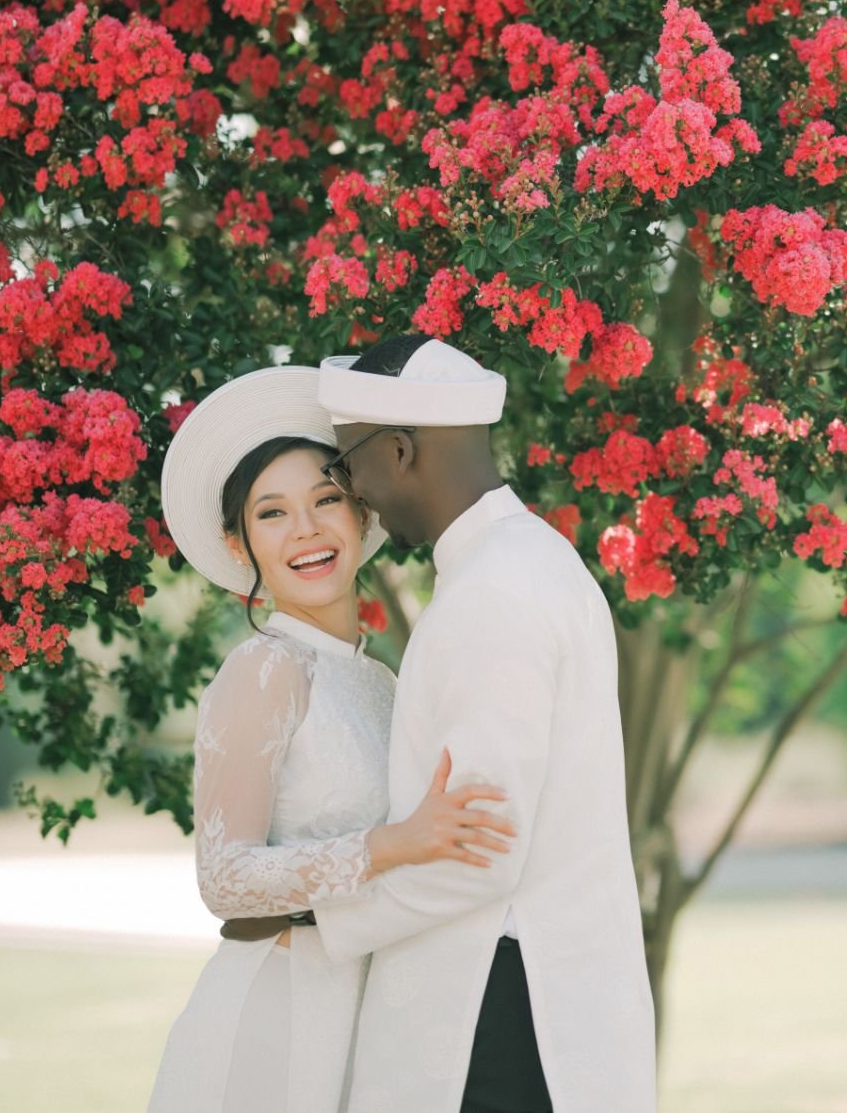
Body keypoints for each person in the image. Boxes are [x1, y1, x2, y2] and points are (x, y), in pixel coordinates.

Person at [148, 366, 519, 1113]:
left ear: (360, 512)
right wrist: (393, 844)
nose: (306, 530)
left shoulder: (381, 681)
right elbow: (223, 878)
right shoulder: (264, 669)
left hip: (370, 1012)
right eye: (272, 514)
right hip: (276, 1013)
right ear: (239, 542)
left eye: (325, 500)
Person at [307, 334, 656, 1112]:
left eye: (347, 466)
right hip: (527, 998)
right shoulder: (529, 561)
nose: (353, 494)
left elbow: (480, 853)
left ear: (399, 451)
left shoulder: (494, 593)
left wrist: (315, 912)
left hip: (499, 1014)